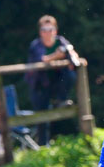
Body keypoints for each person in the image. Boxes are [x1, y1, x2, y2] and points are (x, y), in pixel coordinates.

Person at [25, 15, 81, 146]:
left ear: (55, 30)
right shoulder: (36, 45)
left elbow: (72, 53)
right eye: (44, 29)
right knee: (42, 116)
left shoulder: (61, 41)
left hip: (56, 83)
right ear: (40, 31)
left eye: (50, 29)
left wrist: (71, 55)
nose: (47, 32)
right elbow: (41, 60)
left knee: (71, 74)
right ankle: (43, 147)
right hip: (40, 85)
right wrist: (57, 56)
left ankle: (61, 100)